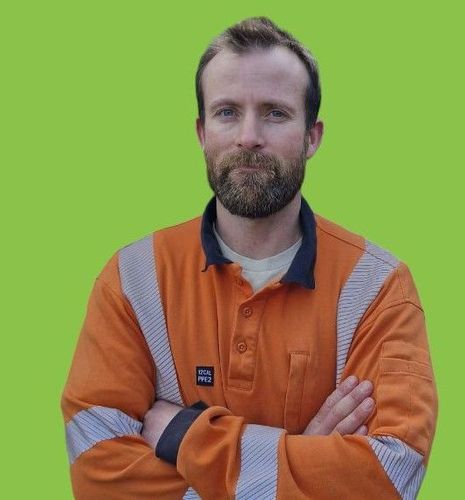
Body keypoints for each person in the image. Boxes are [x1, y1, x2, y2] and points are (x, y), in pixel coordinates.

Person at [61, 16, 438, 499]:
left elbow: (390, 478)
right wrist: (302, 456)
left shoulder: (380, 288)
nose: (248, 136)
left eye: (275, 113)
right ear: (201, 133)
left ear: (313, 136)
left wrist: (184, 435)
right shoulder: (132, 278)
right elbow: (98, 477)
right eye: (226, 112)